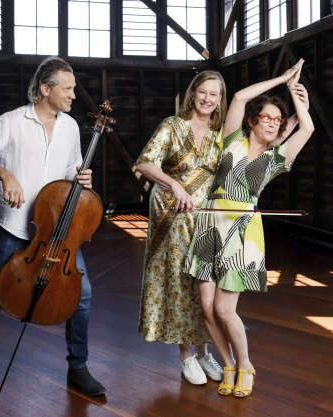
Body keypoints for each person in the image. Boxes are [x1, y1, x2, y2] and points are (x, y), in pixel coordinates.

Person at [0, 56, 105, 397]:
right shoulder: (11, 122)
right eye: (67, 89)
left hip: (58, 233)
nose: (73, 95)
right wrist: (3, 174)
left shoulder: (70, 127)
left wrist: (80, 176)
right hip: (13, 228)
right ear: (45, 89)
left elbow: (71, 168)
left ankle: (78, 368)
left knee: (82, 296)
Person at [183, 58, 314, 397]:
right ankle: (227, 364)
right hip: (210, 225)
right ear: (255, 121)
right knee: (207, 307)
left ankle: (246, 365)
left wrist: (300, 101)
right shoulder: (232, 140)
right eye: (267, 117)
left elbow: (308, 129)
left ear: (282, 126)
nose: (272, 123)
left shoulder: (277, 158)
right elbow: (239, 97)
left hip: (242, 233)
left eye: (278, 120)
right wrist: (282, 79)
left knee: (226, 310)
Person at [134, 71, 229, 385]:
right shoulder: (172, 126)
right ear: (193, 94)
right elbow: (145, 163)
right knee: (177, 281)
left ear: (219, 99)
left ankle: (204, 353)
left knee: (202, 288)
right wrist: (174, 186)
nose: (207, 99)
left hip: (206, 218)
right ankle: (186, 356)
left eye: (213, 94)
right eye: (202, 92)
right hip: (172, 214)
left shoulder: (220, 134)